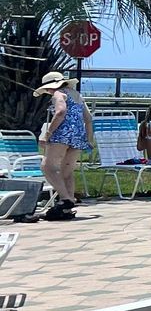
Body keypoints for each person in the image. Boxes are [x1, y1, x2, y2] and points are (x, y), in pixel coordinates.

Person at [35, 70, 92, 221]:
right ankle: (67, 206)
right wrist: (89, 139)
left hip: (63, 134)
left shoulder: (58, 94)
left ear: (50, 87)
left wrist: (48, 133)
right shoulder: (77, 95)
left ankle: (65, 199)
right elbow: (88, 118)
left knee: (47, 166)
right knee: (66, 171)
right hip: (78, 136)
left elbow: (60, 112)